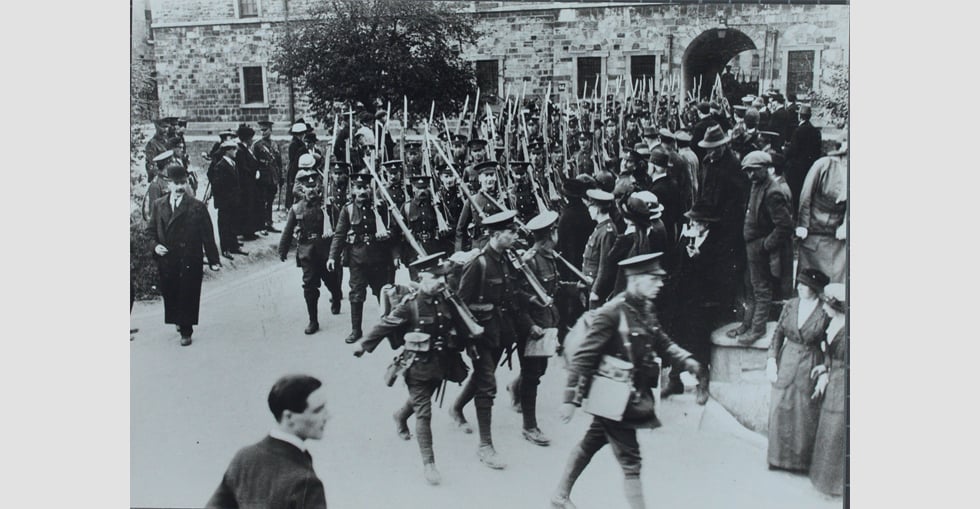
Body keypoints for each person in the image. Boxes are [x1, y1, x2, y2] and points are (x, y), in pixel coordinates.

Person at [552, 253, 707, 509]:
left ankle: (559, 495)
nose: (659, 285)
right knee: (631, 461)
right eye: (653, 279)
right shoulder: (611, 313)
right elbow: (584, 357)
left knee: (592, 441)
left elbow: (662, 341)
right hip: (615, 397)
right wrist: (570, 399)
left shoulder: (645, 308)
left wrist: (688, 360)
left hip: (625, 396)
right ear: (635, 280)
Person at [352, 252, 468, 486]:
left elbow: (460, 323)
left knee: (420, 401)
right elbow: (386, 325)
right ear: (423, 277)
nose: (442, 282)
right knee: (424, 413)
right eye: (437, 278)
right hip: (417, 366)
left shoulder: (445, 299)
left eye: (443, 278)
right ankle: (429, 464)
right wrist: (363, 345)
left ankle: (400, 415)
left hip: (442, 363)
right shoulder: (410, 305)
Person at [449, 210, 535, 470]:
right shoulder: (479, 263)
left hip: (500, 331)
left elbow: (511, 293)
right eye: (511, 232)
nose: (515, 235)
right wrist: (468, 339)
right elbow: (460, 303)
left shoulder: (506, 259)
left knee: (483, 376)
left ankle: (456, 408)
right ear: (497, 235)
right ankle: (485, 446)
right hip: (480, 335)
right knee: (487, 383)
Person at [206, 374, 328, 509]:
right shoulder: (306, 483)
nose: (327, 416)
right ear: (289, 417)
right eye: (317, 411)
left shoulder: (244, 458)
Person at [505, 210, 571, 447]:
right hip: (532, 327)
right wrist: (530, 324)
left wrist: (573, 287)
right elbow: (515, 297)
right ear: (550, 234)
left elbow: (553, 286)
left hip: (548, 321)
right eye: (555, 231)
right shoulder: (529, 260)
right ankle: (529, 426)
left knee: (539, 370)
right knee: (533, 374)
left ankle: (515, 387)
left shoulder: (550, 256)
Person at [765, 268, 831, 472]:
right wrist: (771, 360)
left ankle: (800, 463)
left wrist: (826, 370)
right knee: (780, 408)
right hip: (787, 360)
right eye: (799, 284)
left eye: (805, 285)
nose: (800, 288)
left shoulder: (824, 310)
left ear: (815, 289)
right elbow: (777, 334)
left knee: (804, 412)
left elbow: (830, 343)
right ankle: (776, 459)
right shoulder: (791, 305)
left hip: (810, 363)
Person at [147, 164, 221, 346]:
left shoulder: (196, 206)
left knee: (188, 293)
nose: (180, 187)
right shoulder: (158, 205)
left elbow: (207, 235)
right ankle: (179, 321)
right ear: (168, 184)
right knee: (171, 292)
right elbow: (150, 232)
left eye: (183, 182)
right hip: (167, 259)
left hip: (189, 257)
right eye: (176, 183)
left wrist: (213, 260)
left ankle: (186, 330)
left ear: (187, 182)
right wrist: (155, 247)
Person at [726, 151, 794, 344]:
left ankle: (757, 329)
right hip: (751, 246)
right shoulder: (757, 185)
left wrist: (765, 246)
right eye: (748, 172)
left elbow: (785, 226)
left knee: (761, 289)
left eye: (754, 171)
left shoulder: (773, 191)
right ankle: (747, 323)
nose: (750, 176)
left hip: (759, 248)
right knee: (750, 287)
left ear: (765, 168)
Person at [328, 172, 398, 344]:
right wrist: (332, 257)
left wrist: (395, 255)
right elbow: (339, 234)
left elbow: (395, 232)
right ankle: (356, 330)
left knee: (383, 293)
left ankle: (389, 328)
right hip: (357, 260)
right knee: (356, 294)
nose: (362, 191)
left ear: (370, 188)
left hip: (379, 259)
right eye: (358, 188)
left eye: (365, 187)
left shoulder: (381, 208)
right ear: (353, 189)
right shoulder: (348, 210)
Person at [278, 159, 344, 334]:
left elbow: (340, 226)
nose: (311, 190)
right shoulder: (296, 209)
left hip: (326, 251)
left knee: (331, 281)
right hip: (307, 252)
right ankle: (313, 320)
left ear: (318, 188)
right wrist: (282, 249)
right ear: (302, 189)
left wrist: (339, 247)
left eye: (314, 186)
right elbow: (288, 230)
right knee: (309, 286)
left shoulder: (328, 206)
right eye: (307, 187)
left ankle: (336, 296)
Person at [809, 282, 847, 496]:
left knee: (836, 429)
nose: (823, 308)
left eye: (826, 305)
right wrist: (824, 367)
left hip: (843, 384)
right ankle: (824, 481)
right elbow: (830, 355)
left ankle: (836, 486)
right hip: (833, 380)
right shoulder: (832, 324)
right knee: (828, 427)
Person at [797, 134, 848, 283]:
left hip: (836, 232)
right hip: (814, 227)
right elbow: (806, 195)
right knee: (809, 274)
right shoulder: (823, 165)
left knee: (837, 272)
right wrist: (803, 224)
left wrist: (846, 225)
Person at [454, 161, 505, 252]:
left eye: (492, 175)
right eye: (486, 175)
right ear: (480, 178)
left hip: (501, 243)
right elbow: (460, 230)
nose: (489, 179)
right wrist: (458, 253)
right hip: (481, 246)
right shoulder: (472, 201)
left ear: (496, 177)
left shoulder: (503, 198)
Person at [209, 139, 247, 260]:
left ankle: (234, 246)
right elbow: (217, 186)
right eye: (234, 149)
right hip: (225, 203)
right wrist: (224, 200)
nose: (236, 151)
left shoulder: (232, 163)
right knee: (224, 225)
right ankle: (225, 249)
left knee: (233, 224)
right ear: (227, 151)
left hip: (234, 201)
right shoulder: (220, 166)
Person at [582, 189, 619, 308]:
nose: (588, 210)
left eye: (590, 207)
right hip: (592, 285)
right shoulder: (600, 229)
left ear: (597, 209)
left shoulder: (607, 232)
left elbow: (605, 265)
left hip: (599, 291)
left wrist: (596, 290)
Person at [783, 105, 822, 212]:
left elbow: (793, 150)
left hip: (796, 167)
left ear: (800, 116)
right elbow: (818, 150)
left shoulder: (798, 131)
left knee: (795, 191)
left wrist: (785, 153)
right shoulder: (815, 131)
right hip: (809, 166)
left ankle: (795, 213)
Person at [285, 122, 308, 210]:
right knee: (293, 187)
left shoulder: (298, 144)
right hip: (295, 168)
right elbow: (294, 160)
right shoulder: (295, 145)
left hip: (295, 167)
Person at [144, 118, 171, 182]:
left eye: (167, 127)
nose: (166, 130)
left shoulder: (167, 141)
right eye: (163, 127)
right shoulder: (152, 144)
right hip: (159, 180)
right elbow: (151, 166)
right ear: (157, 127)